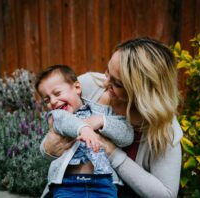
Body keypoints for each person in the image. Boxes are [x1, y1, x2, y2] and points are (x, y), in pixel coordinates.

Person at [42, 37, 183, 198]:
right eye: (107, 72)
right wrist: (49, 148)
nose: (105, 82)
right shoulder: (88, 85)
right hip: (70, 188)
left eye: (118, 84)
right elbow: (56, 127)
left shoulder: (164, 127)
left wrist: (113, 153)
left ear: (142, 93)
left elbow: (166, 195)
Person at [35, 65, 134, 198]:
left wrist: (102, 121)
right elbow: (66, 121)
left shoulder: (102, 112)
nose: (53, 101)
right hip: (67, 184)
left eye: (57, 93)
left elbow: (126, 135)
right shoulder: (57, 117)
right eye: (46, 100)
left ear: (77, 88)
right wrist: (84, 128)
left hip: (104, 183)